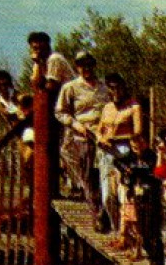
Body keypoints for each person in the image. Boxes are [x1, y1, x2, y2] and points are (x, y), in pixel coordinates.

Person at [55, 51, 112, 230]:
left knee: (109, 176)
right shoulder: (70, 87)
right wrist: (75, 125)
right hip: (83, 136)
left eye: (89, 64)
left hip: (107, 136)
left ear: (94, 65)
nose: (86, 68)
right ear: (77, 67)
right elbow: (60, 112)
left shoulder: (104, 86)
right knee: (89, 177)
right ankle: (97, 214)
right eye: (81, 65)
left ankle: (111, 214)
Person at [96, 74, 143, 240]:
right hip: (106, 152)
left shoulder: (133, 106)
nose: (115, 91)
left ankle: (129, 234)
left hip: (124, 151)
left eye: (117, 87)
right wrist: (101, 138)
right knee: (108, 194)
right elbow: (100, 129)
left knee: (125, 195)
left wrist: (116, 137)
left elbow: (137, 131)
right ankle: (117, 230)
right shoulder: (107, 108)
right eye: (111, 87)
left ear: (123, 87)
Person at [27, 32, 72, 199]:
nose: (37, 50)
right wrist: (37, 64)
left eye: (40, 46)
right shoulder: (41, 63)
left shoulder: (54, 59)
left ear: (48, 45)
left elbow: (50, 87)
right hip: (56, 109)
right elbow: (36, 85)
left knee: (67, 149)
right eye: (34, 47)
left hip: (70, 106)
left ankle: (69, 187)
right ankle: (54, 189)